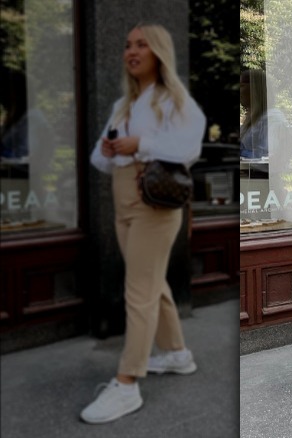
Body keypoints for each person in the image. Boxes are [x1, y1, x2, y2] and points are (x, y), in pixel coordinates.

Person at [82, 23, 206, 424]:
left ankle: (127, 382)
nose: (131, 52)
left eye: (141, 45)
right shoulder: (124, 104)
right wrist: (109, 149)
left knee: (138, 290)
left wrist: (141, 144)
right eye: (127, 45)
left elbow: (189, 148)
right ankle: (177, 354)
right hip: (124, 201)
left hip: (154, 203)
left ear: (159, 53)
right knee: (151, 282)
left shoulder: (174, 100)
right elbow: (99, 160)